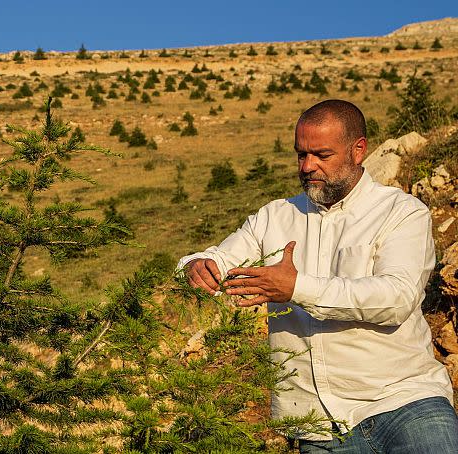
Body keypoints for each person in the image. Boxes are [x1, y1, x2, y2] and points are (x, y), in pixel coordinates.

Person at [177, 99, 457, 453]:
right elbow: (219, 257)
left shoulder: (400, 212)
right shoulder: (274, 217)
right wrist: (199, 266)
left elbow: (396, 298)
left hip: (405, 403)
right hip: (317, 425)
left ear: (358, 151)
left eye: (321, 155)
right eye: (300, 154)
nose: (308, 166)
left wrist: (297, 288)